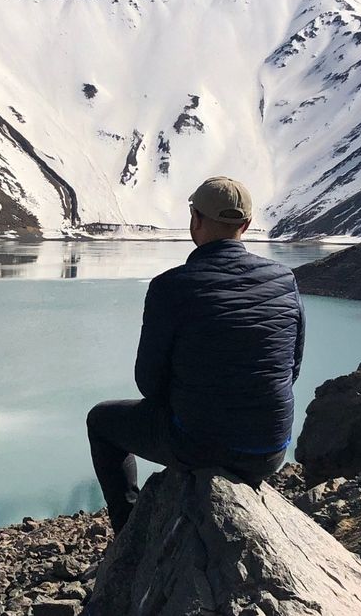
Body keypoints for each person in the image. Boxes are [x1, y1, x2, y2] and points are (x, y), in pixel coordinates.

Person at [86, 176, 305, 535]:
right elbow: (291, 368)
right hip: (270, 450)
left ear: (195, 220)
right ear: (246, 226)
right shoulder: (284, 279)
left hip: (200, 445)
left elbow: (149, 385)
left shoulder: (171, 287)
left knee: (101, 422)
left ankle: (129, 531)